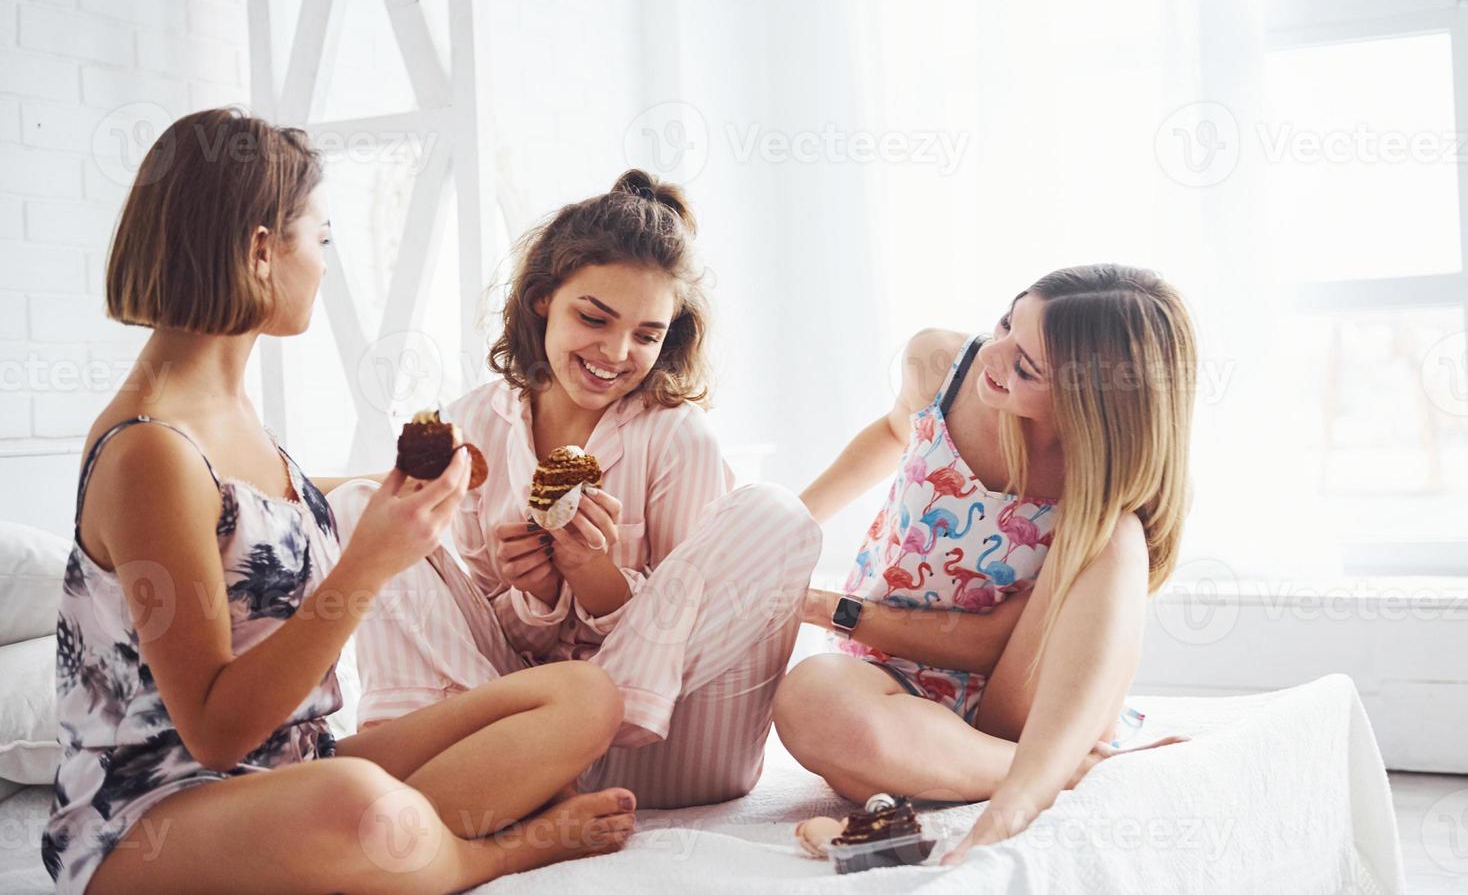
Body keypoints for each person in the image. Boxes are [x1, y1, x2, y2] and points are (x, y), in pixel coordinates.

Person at [43, 108, 635, 895]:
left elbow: (244, 514)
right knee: (357, 802)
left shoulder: (222, 407)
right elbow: (216, 734)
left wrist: (393, 490)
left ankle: (396, 841)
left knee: (582, 694)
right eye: (319, 239)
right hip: (153, 817)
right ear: (261, 251)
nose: (325, 263)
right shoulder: (148, 451)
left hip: (292, 766)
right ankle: (492, 851)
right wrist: (366, 563)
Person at [342, 169, 823, 809]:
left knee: (777, 512)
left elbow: (692, 634)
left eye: (647, 335)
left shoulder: (677, 437)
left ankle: (569, 734)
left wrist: (596, 573)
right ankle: (463, 749)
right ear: (543, 298)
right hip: (525, 731)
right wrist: (536, 594)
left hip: (665, 746)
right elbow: (502, 649)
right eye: (594, 318)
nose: (616, 351)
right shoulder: (478, 423)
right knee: (356, 506)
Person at [774, 265, 1195, 861]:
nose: (991, 356)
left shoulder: (1095, 488)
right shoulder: (942, 365)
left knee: (1118, 534)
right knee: (809, 698)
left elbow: (991, 647)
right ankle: (1064, 768)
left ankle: (1021, 789)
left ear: (1092, 401)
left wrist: (826, 609)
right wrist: (780, 525)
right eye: (1006, 322)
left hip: (1019, 700)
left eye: (1025, 364)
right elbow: (898, 430)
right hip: (890, 680)